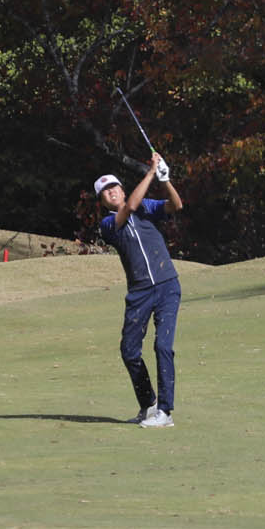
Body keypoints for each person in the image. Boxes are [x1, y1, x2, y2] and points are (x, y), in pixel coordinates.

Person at [92, 158, 184, 427]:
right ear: (102, 202)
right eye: (105, 192)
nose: (111, 192)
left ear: (122, 188)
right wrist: (151, 172)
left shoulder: (147, 207)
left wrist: (165, 181)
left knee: (163, 346)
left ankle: (164, 412)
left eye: (114, 187)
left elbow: (176, 205)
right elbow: (130, 207)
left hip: (167, 286)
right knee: (129, 351)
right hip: (139, 294)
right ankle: (148, 404)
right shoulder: (108, 225)